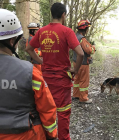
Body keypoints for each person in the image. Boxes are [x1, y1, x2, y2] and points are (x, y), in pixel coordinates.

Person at [26, 2, 84, 140]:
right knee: (63, 112)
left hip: (45, 79)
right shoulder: (67, 31)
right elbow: (80, 53)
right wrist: (75, 69)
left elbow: (28, 49)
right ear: (63, 15)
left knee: (45, 109)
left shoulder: (41, 31)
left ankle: (46, 136)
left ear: (52, 14)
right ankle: (64, 137)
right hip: (62, 79)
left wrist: (41, 62)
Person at [0, 9, 58, 140]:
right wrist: (52, 136)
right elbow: (47, 109)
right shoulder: (29, 72)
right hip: (26, 134)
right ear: (12, 41)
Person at [72, 20, 96, 104]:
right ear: (85, 29)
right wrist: (93, 47)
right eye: (87, 28)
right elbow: (89, 50)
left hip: (75, 62)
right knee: (84, 81)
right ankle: (83, 98)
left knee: (77, 79)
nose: (88, 30)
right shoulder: (82, 39)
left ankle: (76, 95)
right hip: (83, 63)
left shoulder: (75, 36)